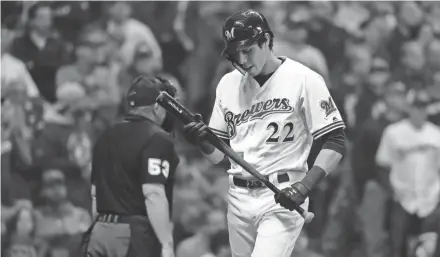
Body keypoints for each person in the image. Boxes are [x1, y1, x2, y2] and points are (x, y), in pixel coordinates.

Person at [182, 10, 347, 257]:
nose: (242, 59)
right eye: (235, 53)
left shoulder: (304, 78)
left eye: (247, 49)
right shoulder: (228, 84)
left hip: (283, 194)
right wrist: (201, 142)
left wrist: (304, 187)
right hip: (237, 196)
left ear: (267, 40)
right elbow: (219, 157)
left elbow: (335, 140)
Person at [83, 76, 180, 257]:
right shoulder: (158, 138)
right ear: (158, 107)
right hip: (132, 234)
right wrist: (166, 244)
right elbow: (153, 192)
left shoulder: (105, 136)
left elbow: (95, 194)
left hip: (99, 230)